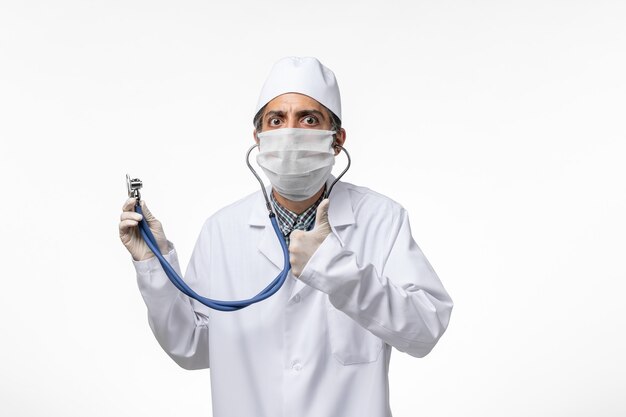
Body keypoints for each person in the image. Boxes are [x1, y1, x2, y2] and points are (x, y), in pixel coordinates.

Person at [118, 56, 453, 417]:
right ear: (258, 138)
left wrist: (336, 270)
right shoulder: (222, 230)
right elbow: (192, 347)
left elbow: (425, 330)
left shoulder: (381, 219)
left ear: (336, 140)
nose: (290, 133)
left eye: (309, 119)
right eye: (276, 120)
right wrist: (151, 262)